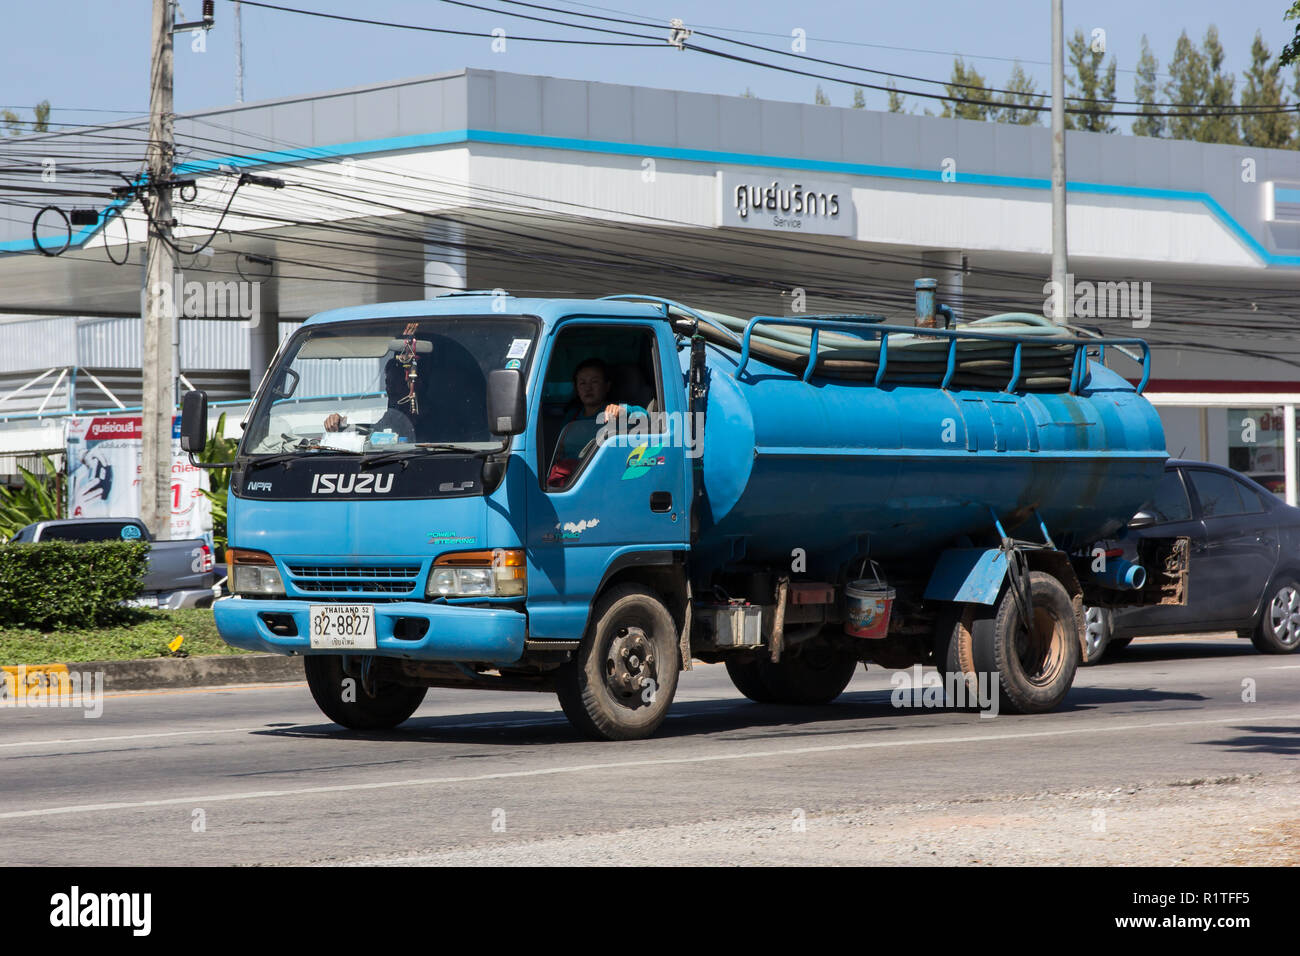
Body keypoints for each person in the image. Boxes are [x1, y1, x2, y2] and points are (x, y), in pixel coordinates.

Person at [547, 357, 640, 486]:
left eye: (594, 382)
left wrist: (624, 410)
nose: (588, 388)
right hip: (569, 480)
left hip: (601, 479)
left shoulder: (614, 412)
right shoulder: (572, 415)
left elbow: (645, 417)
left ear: (607, 386)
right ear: (576, 388)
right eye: (582, 383)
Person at [323, 357, 415, 440]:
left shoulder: (421, 416)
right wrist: (341, 424)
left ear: (410, 385)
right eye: (387, 383)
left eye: (394, 383)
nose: (389, 388)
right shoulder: (391, 417)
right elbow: (372, 431)